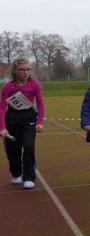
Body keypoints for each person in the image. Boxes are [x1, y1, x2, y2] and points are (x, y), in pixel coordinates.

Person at [0, 58, 45, 189]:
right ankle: (16, 173)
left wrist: (40, 122)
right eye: (21, 70)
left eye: (28, 69)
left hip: (29, 117)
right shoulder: (8, 87)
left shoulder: (35, 84)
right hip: (12, 118)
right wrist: (2, 127)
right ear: (15, 71)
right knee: (13, 149)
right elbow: (2, 108)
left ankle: (29, 177)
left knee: (28, 145)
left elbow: (40, 104)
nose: (25, 72)